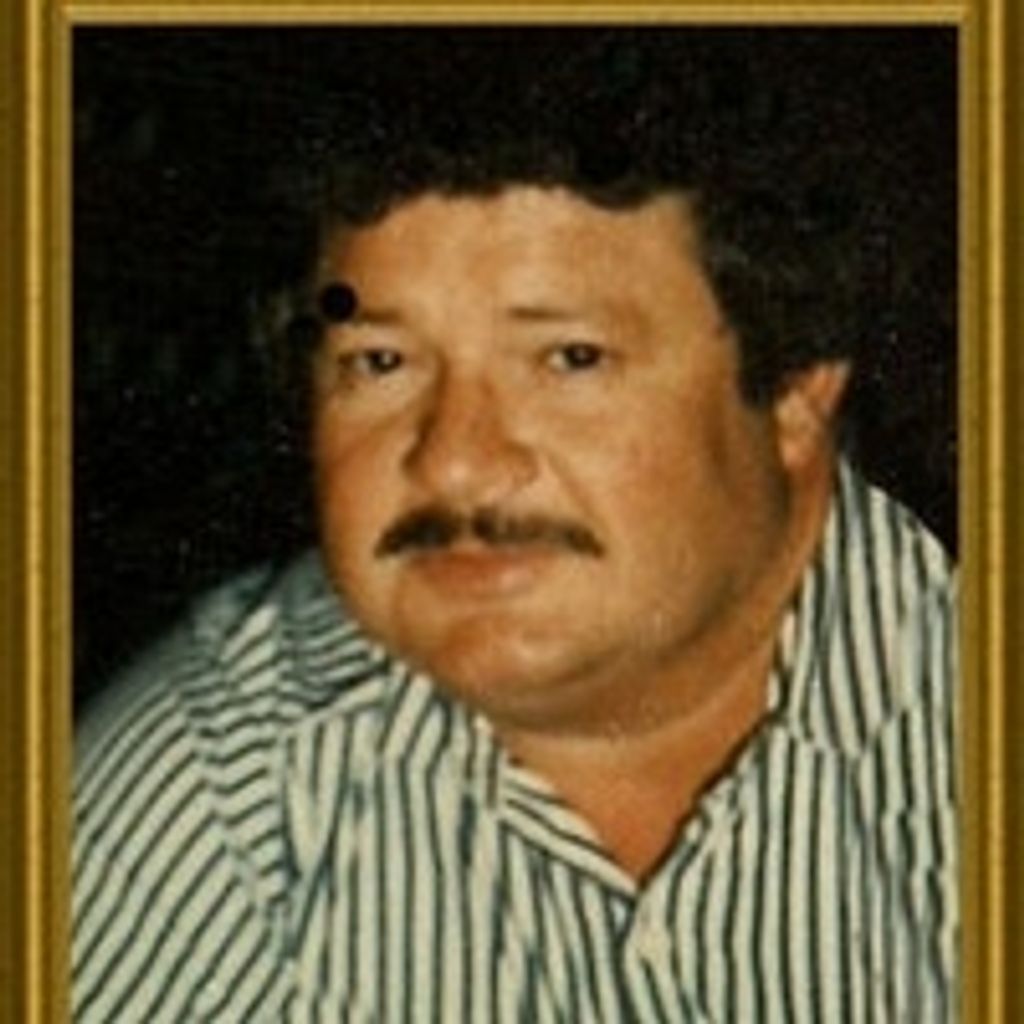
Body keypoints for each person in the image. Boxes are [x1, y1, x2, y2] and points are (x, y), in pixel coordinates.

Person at [72, 30, 957, 1022]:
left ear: (794, 390)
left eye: (569, 358)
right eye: (379, 363)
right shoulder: (215, 791)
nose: (454, 461)